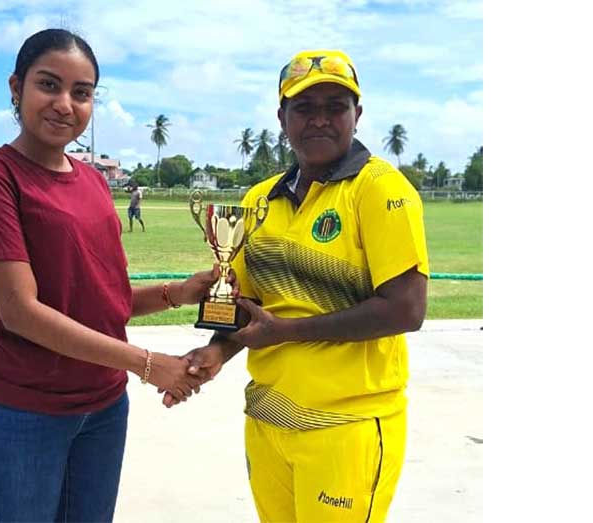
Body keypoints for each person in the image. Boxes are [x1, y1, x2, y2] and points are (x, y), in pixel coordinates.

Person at [0, 28, 216, 523]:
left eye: (81, 92)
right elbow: (20, 313)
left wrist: (178, 293)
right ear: (16, 87)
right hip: (24, 411)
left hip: (103, 407)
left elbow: (103, 300)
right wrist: (146, 364)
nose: (65, 104)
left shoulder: (95, 183)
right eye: (48, 85)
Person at [167, 49, 429, 522]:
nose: (320, 120)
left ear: (357, 115)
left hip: (346, 425)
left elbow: (405, 309)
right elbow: (248, 304)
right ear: (282, 118)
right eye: (305, 108)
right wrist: (216, 352)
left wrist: (286, 332)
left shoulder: (380, 188)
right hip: (269, 417)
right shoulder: (259, 199)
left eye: (335, 107)